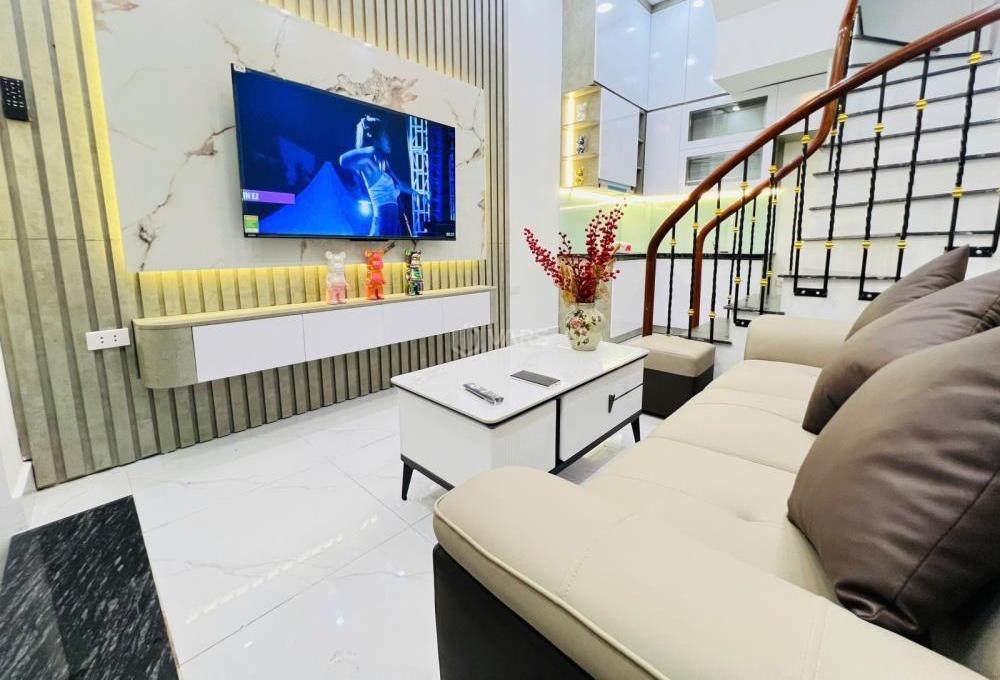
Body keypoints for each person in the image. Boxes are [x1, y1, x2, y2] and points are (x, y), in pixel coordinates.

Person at [339, 115, 418, 237]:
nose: (389, 139)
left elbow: (401, 185)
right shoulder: (368, 164)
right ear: (375, 138)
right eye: (385, 136)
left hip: (395, 225)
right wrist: (372, 148)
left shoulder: (385, 165)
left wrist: (419, 194)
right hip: (382, 224)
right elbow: (343, 161)